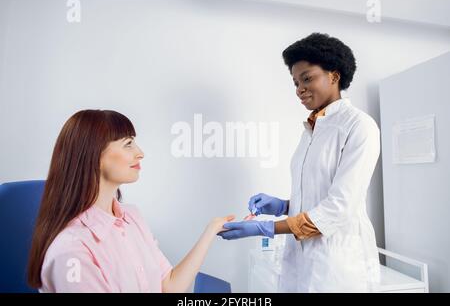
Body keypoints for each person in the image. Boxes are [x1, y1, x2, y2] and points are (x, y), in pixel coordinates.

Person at [219, 33, 381, 292]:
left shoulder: (359, 126)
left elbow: (339, 208)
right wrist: (284, 205)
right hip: (301, 262)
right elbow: (317, 195)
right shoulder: (311, 130)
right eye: (295, 82)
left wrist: (266, 228)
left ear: (334, 76)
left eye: (307, 78)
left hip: (337, 265)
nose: (299, 89)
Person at [28, 109, 233, 292]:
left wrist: (211, 230)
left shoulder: (131, 217)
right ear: (94, 155)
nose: (140, 153)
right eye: (128, 144)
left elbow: (169, 286)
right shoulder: (71, 250)